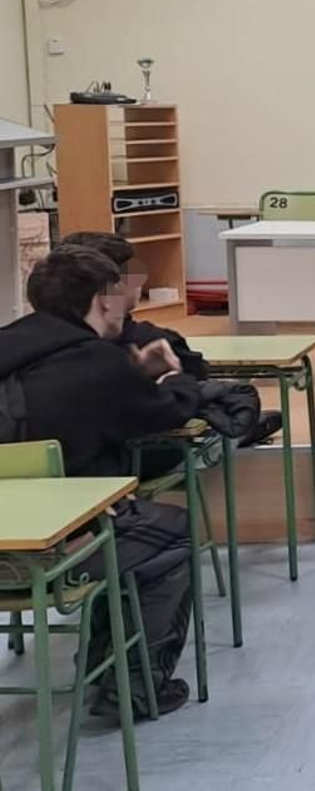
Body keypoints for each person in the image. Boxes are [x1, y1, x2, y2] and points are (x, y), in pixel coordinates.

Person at [0, 245, 201, 716]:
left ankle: (104, 661)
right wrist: (173, 378)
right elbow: (165, 414)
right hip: (57, 554)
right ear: (104, 300)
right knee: (171, 534)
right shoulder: (99, 364)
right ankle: (131, 687)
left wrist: (130, 375)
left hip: (9, 542)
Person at [61, 229, 284, 447]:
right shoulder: (154, 342)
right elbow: (197, 375)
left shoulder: (42, 344)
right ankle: (233, 437)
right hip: (144, 453)